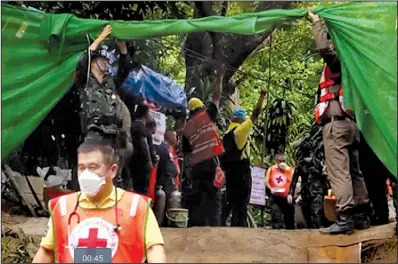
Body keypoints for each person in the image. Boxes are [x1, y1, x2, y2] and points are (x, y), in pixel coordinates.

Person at [32, 138, 166, 263]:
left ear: (113, 171)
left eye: (93, 167)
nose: (85, 174)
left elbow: (155, 249)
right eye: (81, 168)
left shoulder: (136, 207)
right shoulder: (62, 207)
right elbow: (46, 251)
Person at [308, 10, 371, 235]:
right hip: (352, 125)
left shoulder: (339, 62)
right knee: (354, 171)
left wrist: (317, 24)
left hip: (336, 125)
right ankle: (362, 215)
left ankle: (345, 218)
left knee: (340, 172)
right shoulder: (356, 65)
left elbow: (324, 49)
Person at [73, 25, 133, 190]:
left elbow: (124, 70)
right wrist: (99, 39)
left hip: (113, 134)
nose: (106, 63)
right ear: (94, 62)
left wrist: (123, 49)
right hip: (94, 131)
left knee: (113, 172)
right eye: (102, 60)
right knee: (91, 169)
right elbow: (83, 61)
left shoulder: (109, 83)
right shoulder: (85, 80)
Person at [182, 65, 225, 227]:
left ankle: (196, 227)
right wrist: (220, 78)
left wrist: (187, 173)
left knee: (197, 196)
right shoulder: (208, 115)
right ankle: (214, 226)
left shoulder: (187, 128)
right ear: (201, 107)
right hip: (212, 163)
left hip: (197, 167)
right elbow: (216, 97)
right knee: (213, 196)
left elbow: (186, 156)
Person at [220, 90, 267, 227]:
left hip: (230, 173)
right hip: (241, 172)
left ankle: (221, 227)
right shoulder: (240, 131)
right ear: (240, 120)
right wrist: (261, 97)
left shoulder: (227, 134)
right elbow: (255, 115)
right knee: (241, 205)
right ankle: (239, 231)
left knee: (230, 201)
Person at [288, 151, 328, 228]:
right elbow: (294, 181)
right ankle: (310, 230)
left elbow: (324, 178)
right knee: (306, 212)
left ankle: (317, 229)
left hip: (317, 191)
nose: (307, 158)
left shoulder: (318, 163)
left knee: (316, 212)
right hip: (306, 192)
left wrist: (325, 192)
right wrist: (290, 193)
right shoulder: (300, 165)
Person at [130, 104, 157, 194]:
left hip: (132, 163)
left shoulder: (132, 126)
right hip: (142, 165)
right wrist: (149, 162)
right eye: (149, 112)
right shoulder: (142, 128)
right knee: (142, 190)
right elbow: (144, 144)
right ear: (145, 113)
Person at [265, 153, 295, 229]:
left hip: (287, 197)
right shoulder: (271, 169)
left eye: (283, 161)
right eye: (280, 161)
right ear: (276, 161)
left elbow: (293, 183)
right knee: (276, 216)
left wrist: (290, 194)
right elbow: (266, 182)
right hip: (275, 196)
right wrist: (271, 189)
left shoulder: (291, 170)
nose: (282, 162)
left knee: (289, 217)